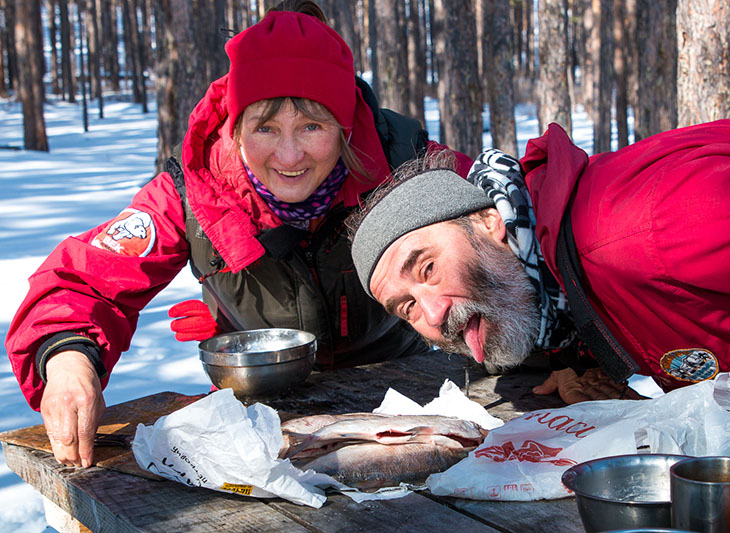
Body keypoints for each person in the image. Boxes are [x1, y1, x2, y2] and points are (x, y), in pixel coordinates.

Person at [5, 4, 471, 469]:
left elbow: (509, 225)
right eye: (264, 127)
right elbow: (82, 280)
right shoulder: (195, 190)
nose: (289, 155)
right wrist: (67, 358)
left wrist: (545, 339)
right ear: (235, 125)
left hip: (406, 400)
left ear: (345, 124)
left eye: (313, 125)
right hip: (258, 420)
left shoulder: (404, 164)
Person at [348, 119, 730, 408]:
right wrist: (584, 359)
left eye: (427, 269)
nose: (432, 314)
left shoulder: (650, 226)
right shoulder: (539, 285)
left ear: (489, 221)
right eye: (406, 307)